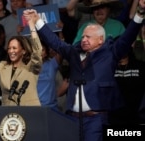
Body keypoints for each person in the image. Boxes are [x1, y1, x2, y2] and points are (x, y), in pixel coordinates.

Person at [23, 0, 145, 140]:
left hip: (96, 119)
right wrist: (37, 20)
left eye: (88, 37)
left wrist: (140, 12)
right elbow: (55, 42)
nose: (84, 39)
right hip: (72, 119)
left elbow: (128, 37)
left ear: (100, 39)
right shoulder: (74, 52)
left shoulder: (110, 53)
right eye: (82, 37)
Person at [0, 15, 42, 106]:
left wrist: (32, 28)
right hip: (9, 115)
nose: (11, 51)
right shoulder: (3, 66)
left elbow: (37, 53)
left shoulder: (31, 66)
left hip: (29, 113)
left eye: (14, 48)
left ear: (23, 51)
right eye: (9, 48)